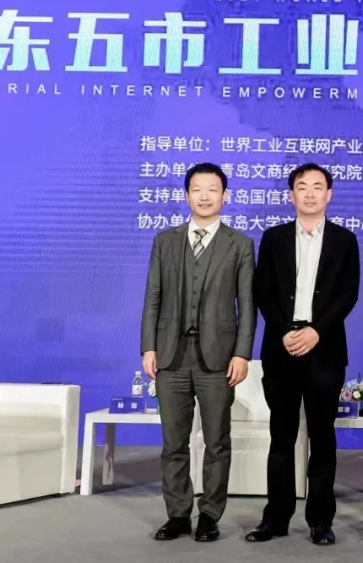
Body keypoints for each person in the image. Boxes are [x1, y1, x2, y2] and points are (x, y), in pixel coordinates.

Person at [140, 162, 256, 542]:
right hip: (171, 355)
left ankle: (209, 514)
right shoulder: (165, 241)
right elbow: (153, 298)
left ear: (225, 196)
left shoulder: (240, 244)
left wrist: (241, 354)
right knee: (173, 442)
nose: (205, 196)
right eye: (197, 189)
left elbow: (247, 305)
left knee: (217, 441)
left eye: (212, 189)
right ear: (187, 195)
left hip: (218, 358)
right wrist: (148, 347)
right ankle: (177, 514)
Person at [246, 163, 360, 546]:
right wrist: (285, 331)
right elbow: (263, 291)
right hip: (281, 349)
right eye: (302, 187)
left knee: (323, 438)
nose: (309, 193)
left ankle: (320, 521)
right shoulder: (274, 238)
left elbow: (347, 295)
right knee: (281, 437)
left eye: (317, 187)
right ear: (291, 195)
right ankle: (275, 518)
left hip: (325, 349)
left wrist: (315, 331)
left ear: (329, 195)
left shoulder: (345, 240)